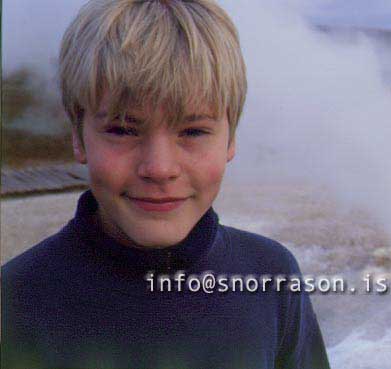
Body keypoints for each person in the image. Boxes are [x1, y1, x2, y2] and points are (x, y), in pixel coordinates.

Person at [1, 0, 331, 368]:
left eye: (192, 131)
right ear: (78, 137)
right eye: (123, 129)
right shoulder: (12, 301)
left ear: (231, 139)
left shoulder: (272, 279)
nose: (159, 168)